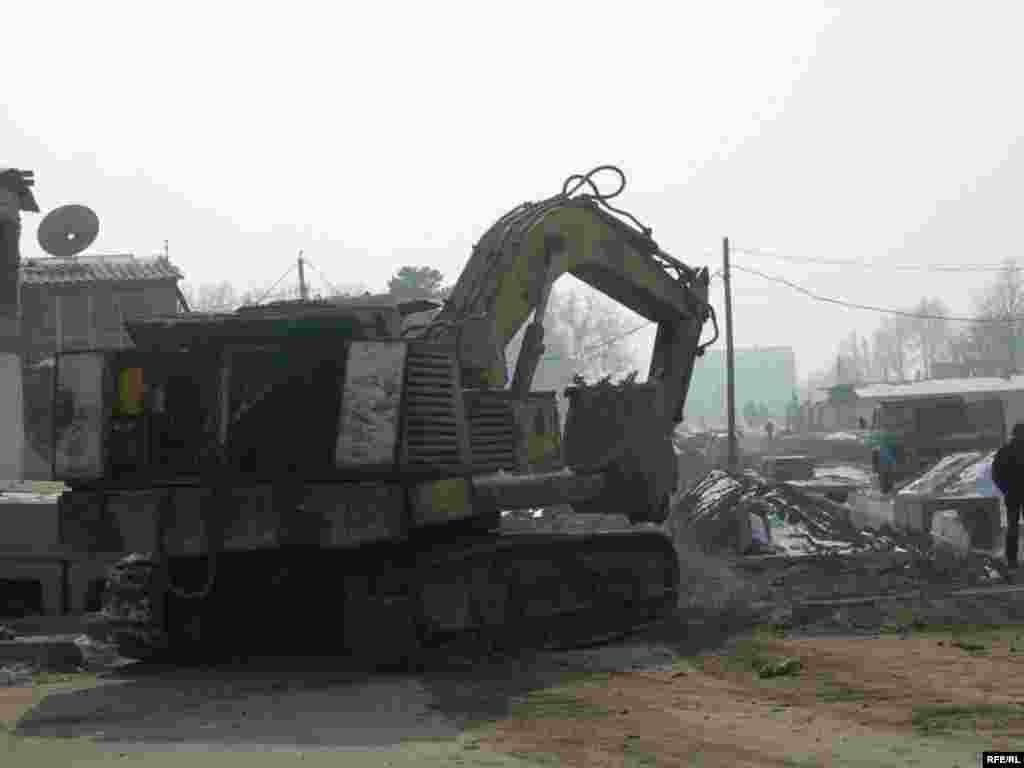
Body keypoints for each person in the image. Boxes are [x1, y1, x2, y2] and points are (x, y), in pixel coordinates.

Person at [992, 422, 1024, 569]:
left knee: (1012, 527)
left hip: (1012, 494)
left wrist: (1006, 489)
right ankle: (1011, 560)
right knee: (1012, 527)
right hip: (1015, 493)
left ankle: (1011, 561)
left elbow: (996, 474)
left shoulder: (1004, 451)